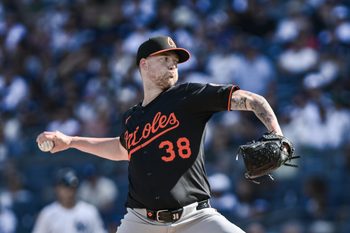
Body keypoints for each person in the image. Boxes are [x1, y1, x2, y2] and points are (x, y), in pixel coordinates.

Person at [36, 36, 286, 233]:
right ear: (143, 64)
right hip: (140, 221)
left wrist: (277, 134)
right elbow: (122, 150)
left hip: (195, 217)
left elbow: (253, 100)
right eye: (165, 57)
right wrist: (70, 141)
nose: (173, 63)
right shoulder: (132, 118)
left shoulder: (189, 96)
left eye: (175, 60)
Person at [31, 167, 106, 233]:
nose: (70, 191)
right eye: (65, 187)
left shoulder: (89, 211)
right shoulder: (48, 214)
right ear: (57, 188)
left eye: (72, 186)